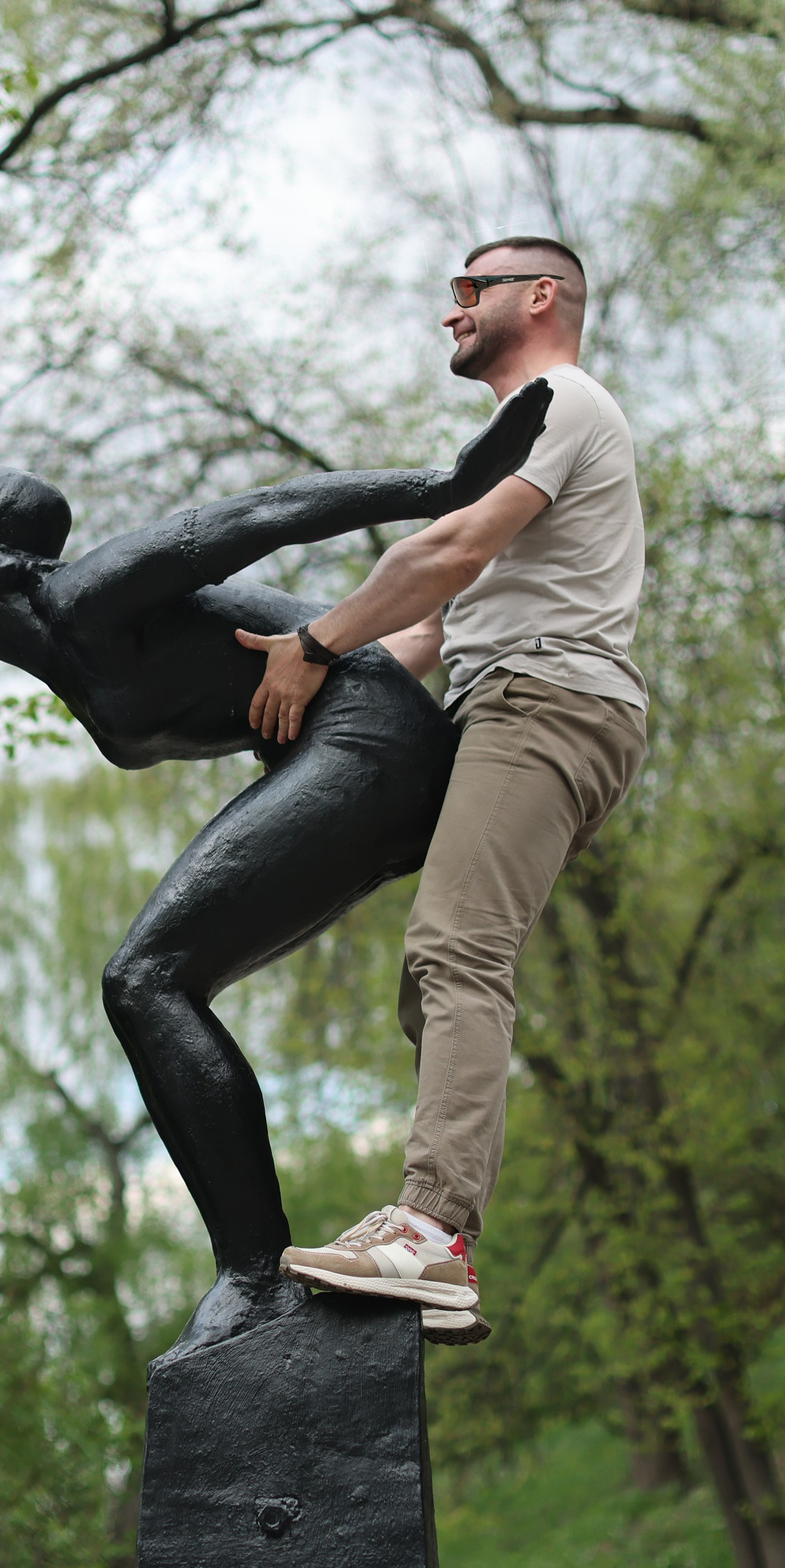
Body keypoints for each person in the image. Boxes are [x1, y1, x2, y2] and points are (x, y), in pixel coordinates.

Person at [0, 378, 552, 1359]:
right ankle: (253, 1276)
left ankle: (253, 1276)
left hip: (370, 743)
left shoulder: (90, 596)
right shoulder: (66, 654)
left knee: (145, 978)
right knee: (153, 982)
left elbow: (259, 514)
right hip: (349, 757)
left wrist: (445, 483)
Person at [249, 237, 648, 1346]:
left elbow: (449, 547)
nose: (451, 311)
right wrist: (327, 685)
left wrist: (316, 643)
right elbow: (441, 616)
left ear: (540, 296)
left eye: (471, 291)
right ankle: (435, 1240)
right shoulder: (521, 428)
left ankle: (431, 1233)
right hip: (508, 694)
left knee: (459, 954)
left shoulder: (563, 400)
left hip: (547, 702)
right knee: (428, 986)